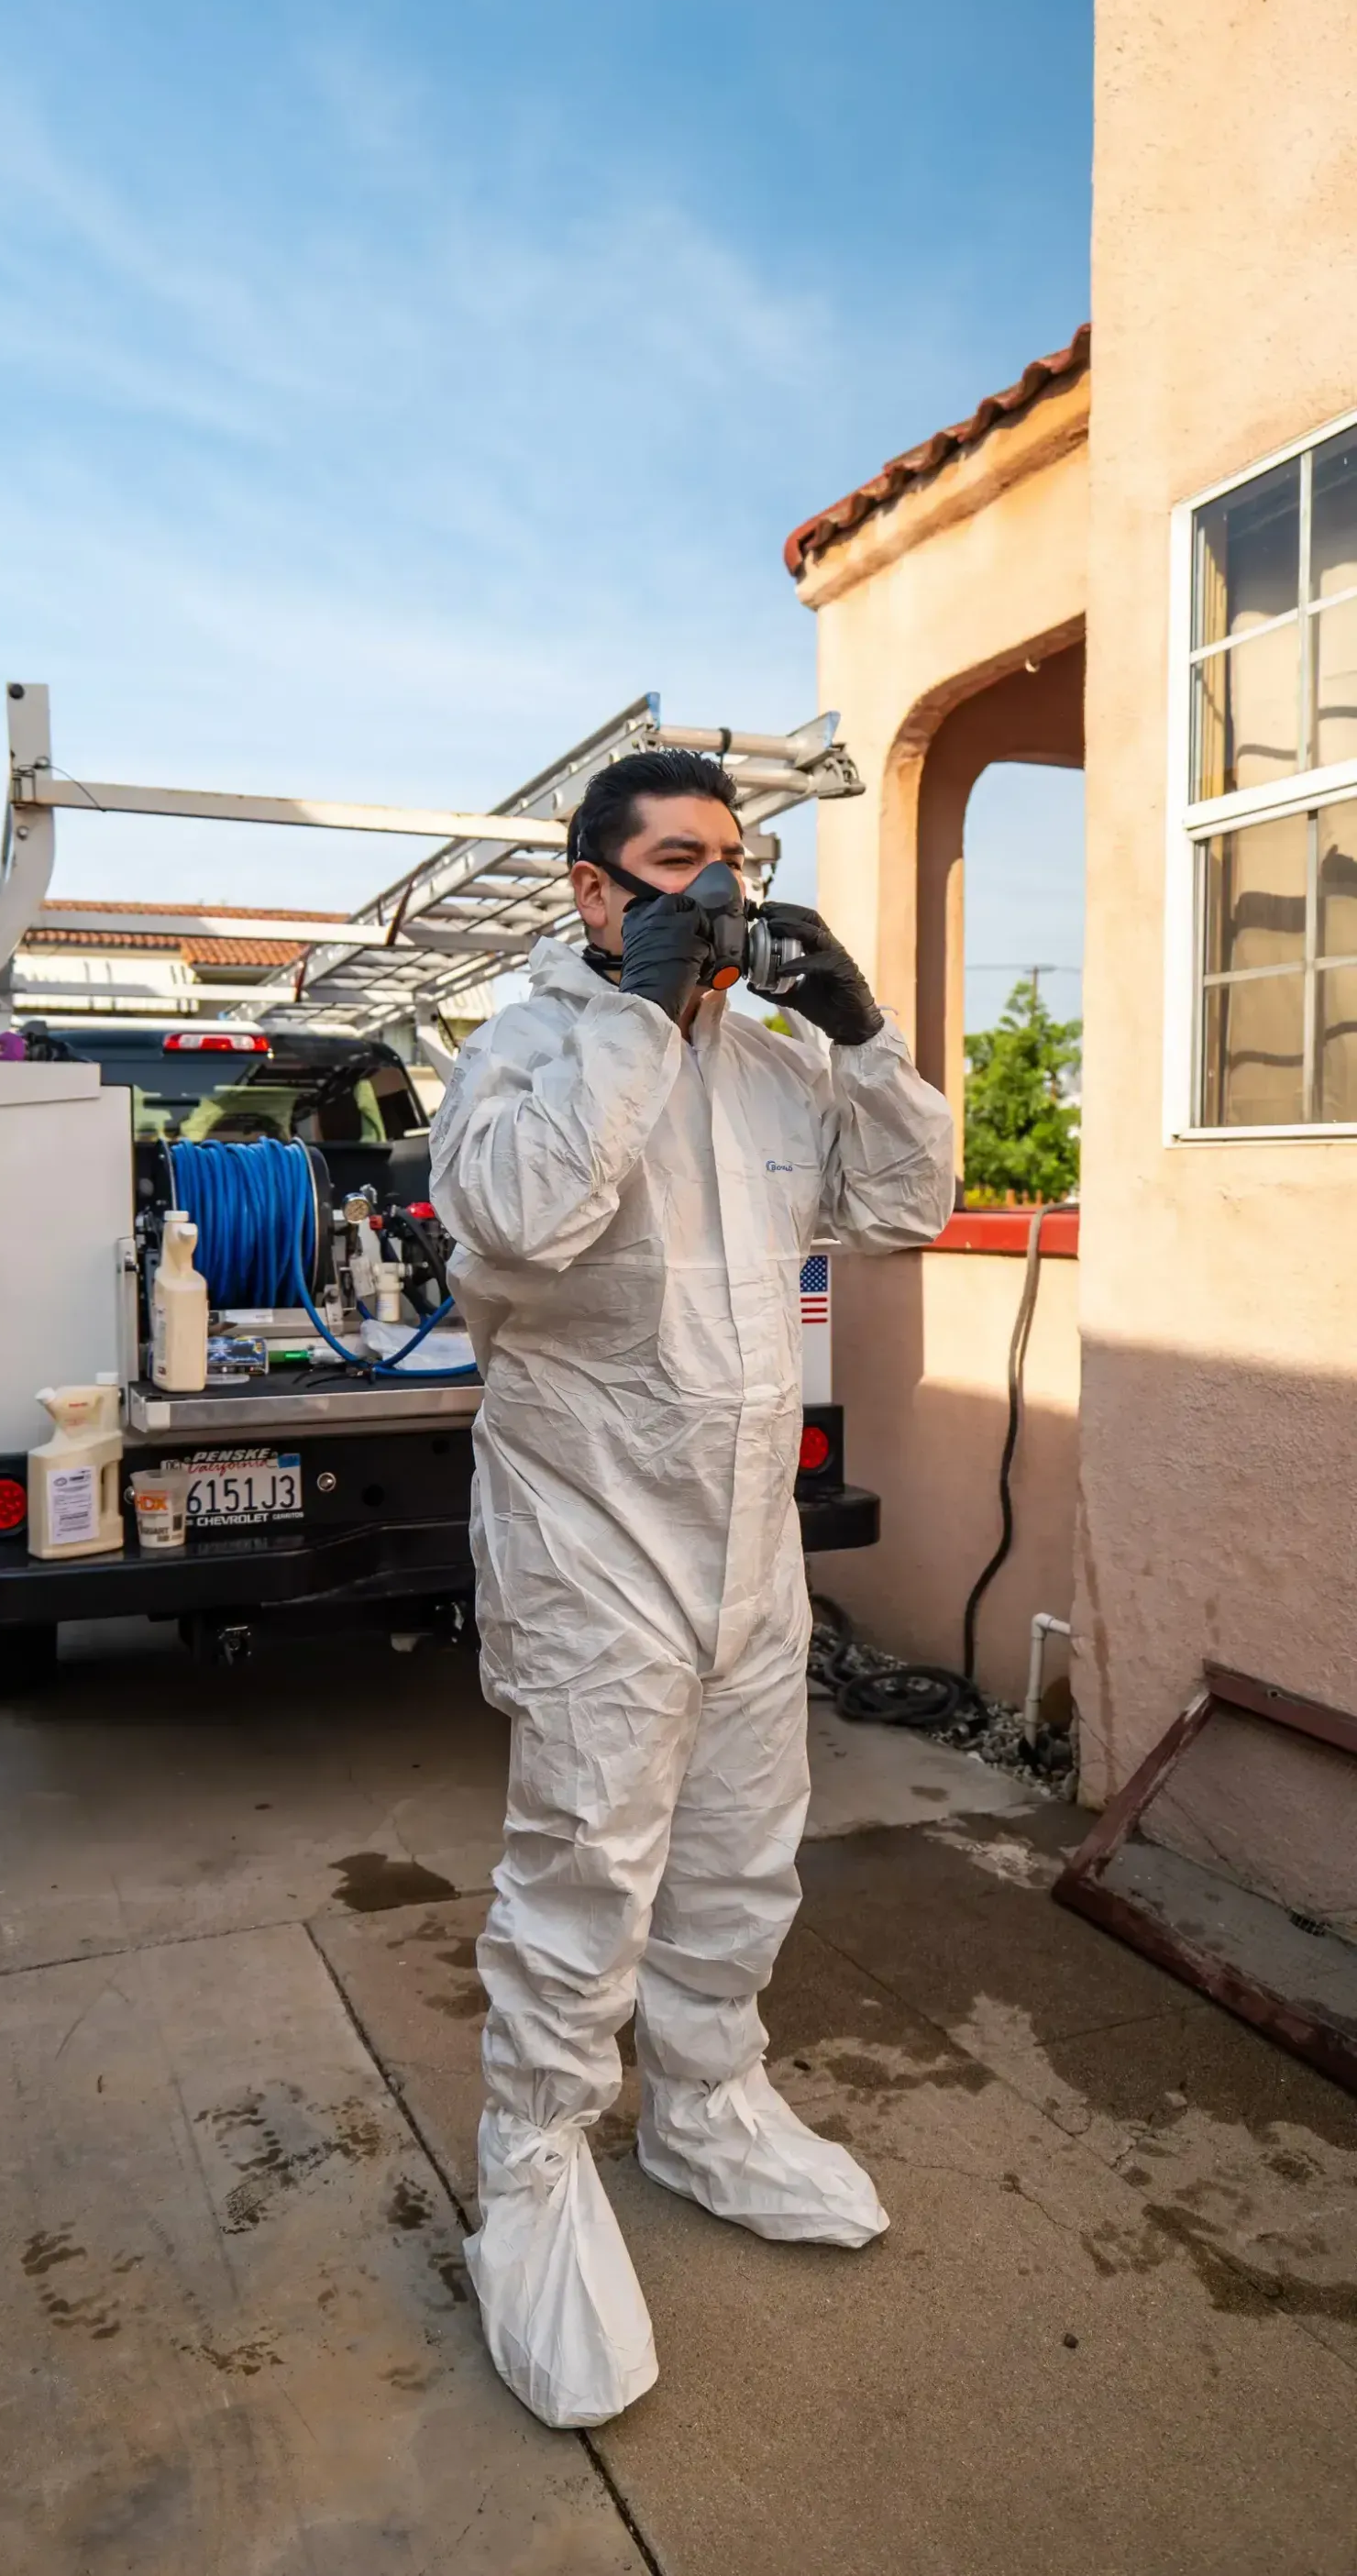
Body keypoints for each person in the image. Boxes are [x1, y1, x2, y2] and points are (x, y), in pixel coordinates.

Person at [428, 747, 954, 2430]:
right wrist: (639, 1022)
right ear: (592, 892)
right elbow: (515, 1224)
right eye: (673, 864)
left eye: (732, 859)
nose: (715, 890)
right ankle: (534, 2167)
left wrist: (864, 1033)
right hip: (589, 1530)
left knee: (739, 1844)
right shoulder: (523, 1050)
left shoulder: (781, 1064)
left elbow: (907, 1205)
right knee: (590, 1858)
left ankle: (707, 2101)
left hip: (746, 1533)